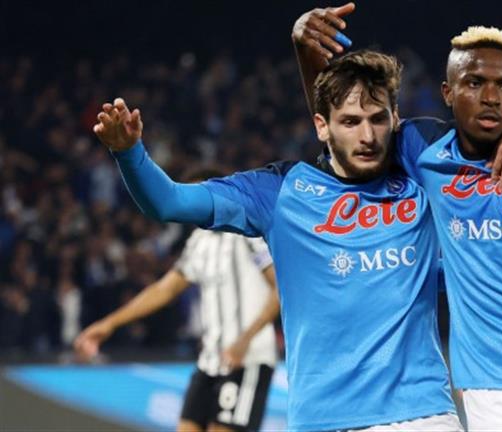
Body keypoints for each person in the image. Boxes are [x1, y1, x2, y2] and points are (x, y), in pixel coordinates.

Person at [293, 8, 502, 431]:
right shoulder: (422, 148)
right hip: (490, 394)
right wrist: (305, 50)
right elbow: (342, 120)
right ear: (447, 93)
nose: (491, 98)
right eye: (474, 83)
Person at [91, 53, 462, 430]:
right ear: (322, 126)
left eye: (378, 119)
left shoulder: (419, 177)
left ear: (395, 118)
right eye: (350, 122)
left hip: (422, 415)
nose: (367, 136)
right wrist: (129, 153)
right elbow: (169, 202)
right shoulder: (279, 192)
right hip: (323, 421)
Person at [74, 169, 280, 432]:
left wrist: (244, 340)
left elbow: (281, 290)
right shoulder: (199, 241)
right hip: (210, 361)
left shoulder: (249, 232)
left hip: (247, 358)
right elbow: (165, 289)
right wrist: (109, 323)